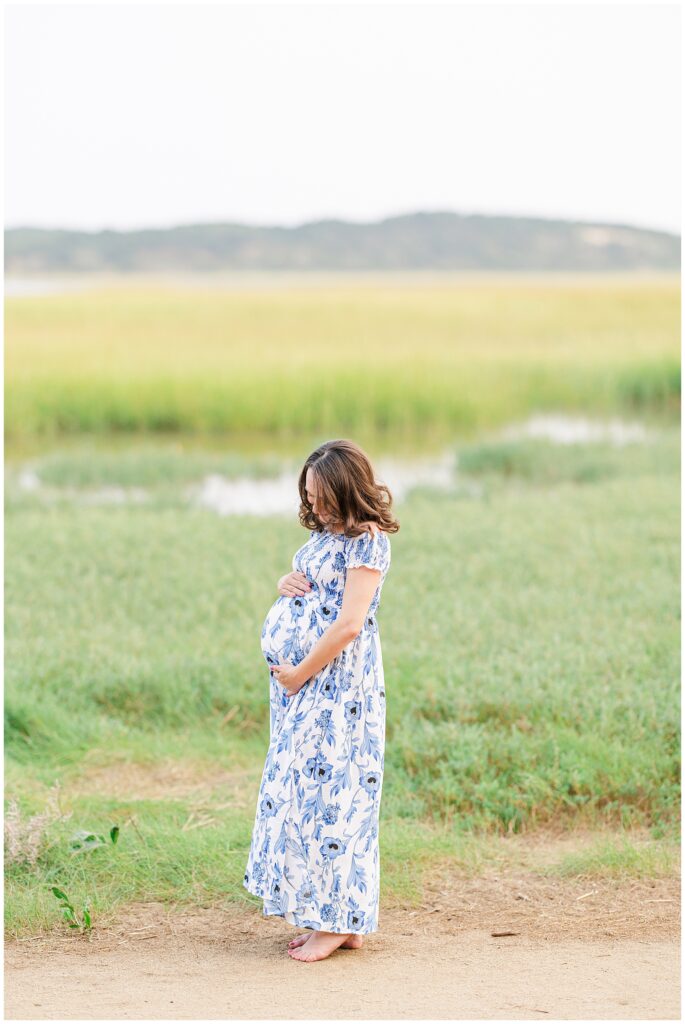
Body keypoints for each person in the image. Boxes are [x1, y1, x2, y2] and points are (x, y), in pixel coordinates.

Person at [243, 438, 399, 962]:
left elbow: (350, 623)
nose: (316, 507)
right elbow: (316, 588)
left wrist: (300, 675)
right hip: (303, 685)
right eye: (310, 496)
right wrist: (287, 582)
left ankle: (334, 924)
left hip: (337, 688)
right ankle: (337, 917)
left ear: (347, 490)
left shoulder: (368, 541)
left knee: (336, 794)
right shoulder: (327, 534)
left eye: (325, 497)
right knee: (303, 793)